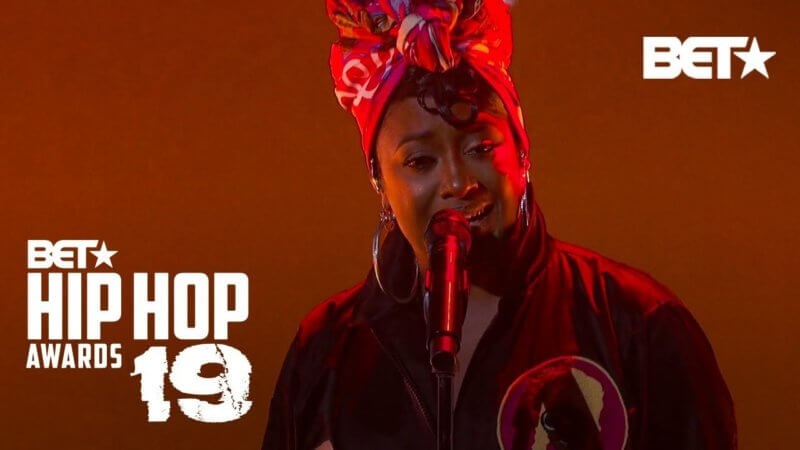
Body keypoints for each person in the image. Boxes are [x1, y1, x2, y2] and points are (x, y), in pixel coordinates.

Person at [262, 1, 736, 449]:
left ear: (523, 151)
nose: (457, 182)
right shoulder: (326, 350)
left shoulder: (638, 324)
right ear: (379, 179)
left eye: (481, 148)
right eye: (420, 161)